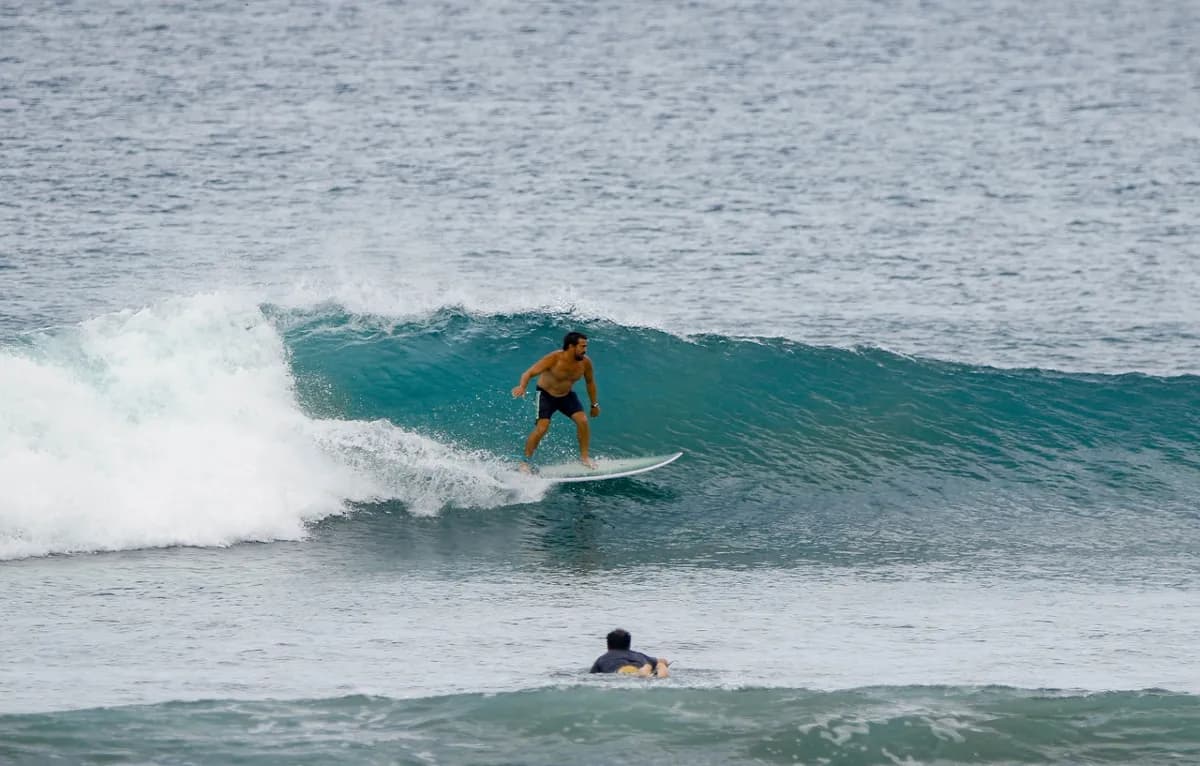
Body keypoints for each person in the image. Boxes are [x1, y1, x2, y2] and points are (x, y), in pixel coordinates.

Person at [511, 331, 600, 468]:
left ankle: (584, 457)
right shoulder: (554, 358)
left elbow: (590, 383)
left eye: (586, 346)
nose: (585, 350)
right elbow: (529, 373)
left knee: (582, 421)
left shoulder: (585, 363)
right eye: (582, 347)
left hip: (566, 396)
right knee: (542, 428)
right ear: (571, 346)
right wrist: (522, 386)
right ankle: (525, 462)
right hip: (545, 395)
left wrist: (594, 404)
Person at [590, 628, 669, 677]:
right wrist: (661, 663)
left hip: (621, 672)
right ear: (628, 644)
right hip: (639, 667)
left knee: (632, 675)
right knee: (657, 665)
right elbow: (663, 660)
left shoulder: (602, 659)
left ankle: (645, 671)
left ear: (608, 645)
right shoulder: (639, 655)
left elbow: (591, 676)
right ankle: (655, 668)